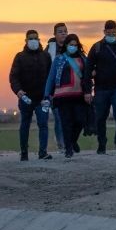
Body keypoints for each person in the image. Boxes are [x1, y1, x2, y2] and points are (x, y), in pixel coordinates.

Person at [43, 33, 92, 158]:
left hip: (79, 95)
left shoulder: (83, 59)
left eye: (75, 45)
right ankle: (68, 149)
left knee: (80, 120)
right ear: (66, 45)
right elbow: (51, 77)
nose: (73, 47)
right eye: (71, 45)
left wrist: (88, 92)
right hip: (62, 96)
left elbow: (87, 77)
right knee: (66, 122)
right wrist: (47, 94)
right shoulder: (59, 59)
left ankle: (72, 140)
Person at [88, 20, 116, 154]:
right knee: (100, 117)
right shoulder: (96, 47)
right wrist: (88, 85)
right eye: (109, 32)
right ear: (104, 32)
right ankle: (102, 144)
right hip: (101, 88)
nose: (111, 34)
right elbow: (88, 68)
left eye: (114, 32)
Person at [9, 29, 53, 161]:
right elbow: (13, 77)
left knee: (43, 124)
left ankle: (43, 152)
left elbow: (51, 76)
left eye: (35, 38)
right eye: (30, 38)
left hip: (42, 98)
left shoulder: (46, 57)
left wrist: (50, 94)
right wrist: (18, 91)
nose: (33, 40)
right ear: (26, 40)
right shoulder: (20, 57)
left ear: (39, 39)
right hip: (26, 98)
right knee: (25, 125)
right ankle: (24, 152)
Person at [45, 22, 69, 153]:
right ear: (54, 34)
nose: (63, 33)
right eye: (60, 31)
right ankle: (61, 144)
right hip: (55, 90)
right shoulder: (49, 49)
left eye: (65, 31)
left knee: (70, 117)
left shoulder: (72, 46)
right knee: (59, 117)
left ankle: (68, 141)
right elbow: (44, 67)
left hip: (70, 88)